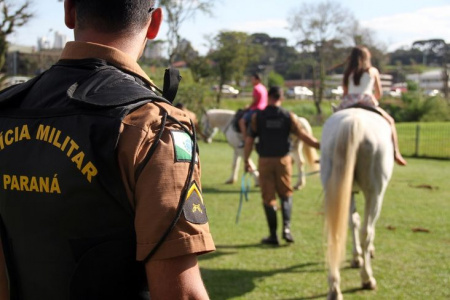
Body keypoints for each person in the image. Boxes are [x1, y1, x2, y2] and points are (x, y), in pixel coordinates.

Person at [0, 1, 215, 299]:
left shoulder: (6, 107)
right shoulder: (153, 125)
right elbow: (180, 293)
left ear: (70, 11)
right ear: (154, 23)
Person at [244, 86, 320, 245]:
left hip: (265, 161)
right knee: (286, 194)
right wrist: (319, 145)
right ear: (281, 98)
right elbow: (303, 135)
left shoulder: (258, 117)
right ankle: (286, 229)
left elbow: (250, 140)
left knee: (268, 198)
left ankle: (273, 235)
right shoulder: (288, 116)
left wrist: (246, 160)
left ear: (269, 97)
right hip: (283, 161)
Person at [339, 45, 407, 166]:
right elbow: (378, 93)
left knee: (332, 122)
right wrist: (370, 99)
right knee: (390, 121)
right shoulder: (372, 71)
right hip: (367, 102)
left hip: (349, 102)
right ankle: (396, 153)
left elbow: (345, 93)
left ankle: (325, 152)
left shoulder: (348, 72)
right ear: (366, 57)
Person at [238, 73, 268, 147]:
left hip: (257, 109)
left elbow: (255, 101)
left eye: (252, 79)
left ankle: (244, 140)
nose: (251, 81)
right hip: (264, 109)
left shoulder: (256, 88)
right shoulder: (263, 87)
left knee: (241, 121)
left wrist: (248, 107)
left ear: (257, 80)